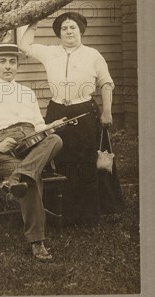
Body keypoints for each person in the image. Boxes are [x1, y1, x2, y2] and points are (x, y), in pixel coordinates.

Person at [20, 12, 124, 226]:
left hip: (84, 111)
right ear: (58, 33)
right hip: (57, 111)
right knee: (58, 158)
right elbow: (24, 46)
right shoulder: (50, 53)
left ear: (81, 30)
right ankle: (61, 211)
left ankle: (87, 214)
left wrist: (107, 111)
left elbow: (105, 83)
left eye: (73, 27)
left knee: (85, 161)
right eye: (64, 28)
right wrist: (34, 22)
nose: (68, 31)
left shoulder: (93, 55)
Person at [0, 43, 63, 261]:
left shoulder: (27, 93)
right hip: (4, 152)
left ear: (18, 65)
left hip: (32, 144)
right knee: (29, 179)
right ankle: (37, 242)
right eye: (2, 61)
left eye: (12, 62)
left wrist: (49, 127)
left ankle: (17, 177)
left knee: (55, 139)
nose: (8, 66)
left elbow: (38, 125)